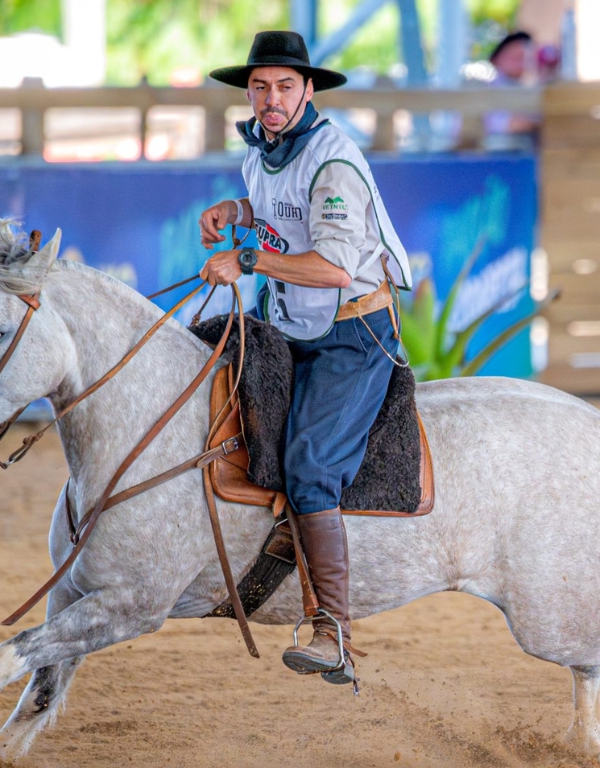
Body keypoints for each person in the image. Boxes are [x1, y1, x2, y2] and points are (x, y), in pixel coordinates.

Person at [197, 30, 413, 686]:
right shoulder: (261, 153)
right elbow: (274, 210)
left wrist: (249, 259)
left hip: (352, 335)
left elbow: (333, 268)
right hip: (291, 323)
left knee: (311, 466)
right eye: (259, 86)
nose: (270, 98)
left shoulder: (333, 163)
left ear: (308, 90)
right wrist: (237, 210)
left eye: (284, 86)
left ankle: (333, 633)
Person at [483, 30, 542, 149]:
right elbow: (506, 125)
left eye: (525, 58)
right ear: (496, 60)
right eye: (515, 58)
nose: (522, 64)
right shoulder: (491, 90)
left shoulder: (524, 86)